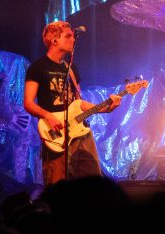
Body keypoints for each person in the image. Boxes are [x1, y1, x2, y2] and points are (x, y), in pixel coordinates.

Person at [23, 21, 110, 185]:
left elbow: (79, 103)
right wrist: (48, 116)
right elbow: (28, 103)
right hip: (56, 134)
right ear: (54, 40)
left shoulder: (71, 68)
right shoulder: (38, 68)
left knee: (93, 184)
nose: (73, 39)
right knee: (58, 186)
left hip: (81, 133)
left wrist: (106, 107)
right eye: (68, 36)